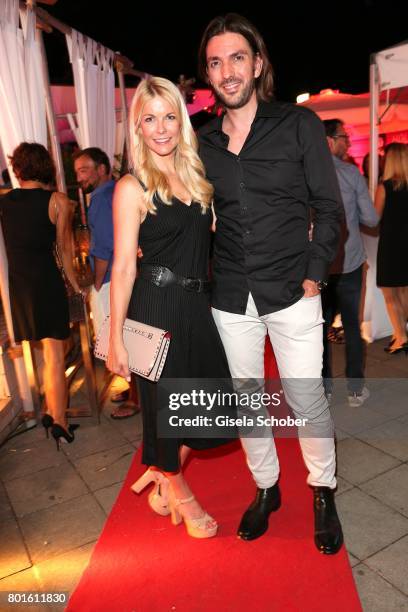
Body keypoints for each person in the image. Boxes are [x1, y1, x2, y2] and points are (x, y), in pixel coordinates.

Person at [197, 13, 344, 553]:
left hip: (292, 289)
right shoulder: (202, 141)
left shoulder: (298, 124)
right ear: (208, 74)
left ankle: (323, 490)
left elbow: (327, 208)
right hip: (231, 292)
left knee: (308, 401)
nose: (227, 71)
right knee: (247, 400)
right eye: (216, 62)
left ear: (257, 64)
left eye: (237, 58)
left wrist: (313, 271)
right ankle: (266, 488)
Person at [107, 76, 234, 539]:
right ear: (137, 127)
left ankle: (161, 470)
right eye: (149, 118)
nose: (160, 128)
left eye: (169, 116)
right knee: (170, 410)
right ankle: (179, 492)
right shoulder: (131, 186)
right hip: (157, 307)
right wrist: (114, 337)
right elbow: (123, 266)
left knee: (215, 409)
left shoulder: (198, 175)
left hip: (198, 304)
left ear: (181, 121)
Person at [0, 142, 82, 448]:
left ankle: (49, 411)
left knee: (46, 354)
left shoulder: (5, 201)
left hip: (20, 287)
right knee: (54, 357)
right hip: (47, 284)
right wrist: (75, 286)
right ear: (46, 167)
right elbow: (64, 251)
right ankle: (60, 422)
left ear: (18, 169)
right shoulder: (58, 200)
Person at [73, 147, 139, 419]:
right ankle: (135, 391)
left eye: (84, 170)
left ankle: (136, 399)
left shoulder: (101, 198)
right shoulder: (117, 191)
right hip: (127, 275)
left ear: (102, 169)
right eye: (77, 172)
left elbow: (103, 247)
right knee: (130, 334)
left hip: (112, 278)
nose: (80, 177)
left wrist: (97, 283)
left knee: (120, 338)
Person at [322, 119, 379, 406]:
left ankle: (324, 389)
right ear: (330, 141)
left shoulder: (305, 174)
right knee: (353, 327)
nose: (348, 142)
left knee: (318, 329)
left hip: (318, 266)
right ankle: (355, 390)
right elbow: (371, 219)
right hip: (349, 263)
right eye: (344, 137)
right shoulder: (350, 174)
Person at [375, 142, 408, 354]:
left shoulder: (384, 187)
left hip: (390, 243)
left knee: (389, 293)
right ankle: (400, 333)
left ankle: (402, 338)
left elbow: (373, 218)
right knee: (404, 290)